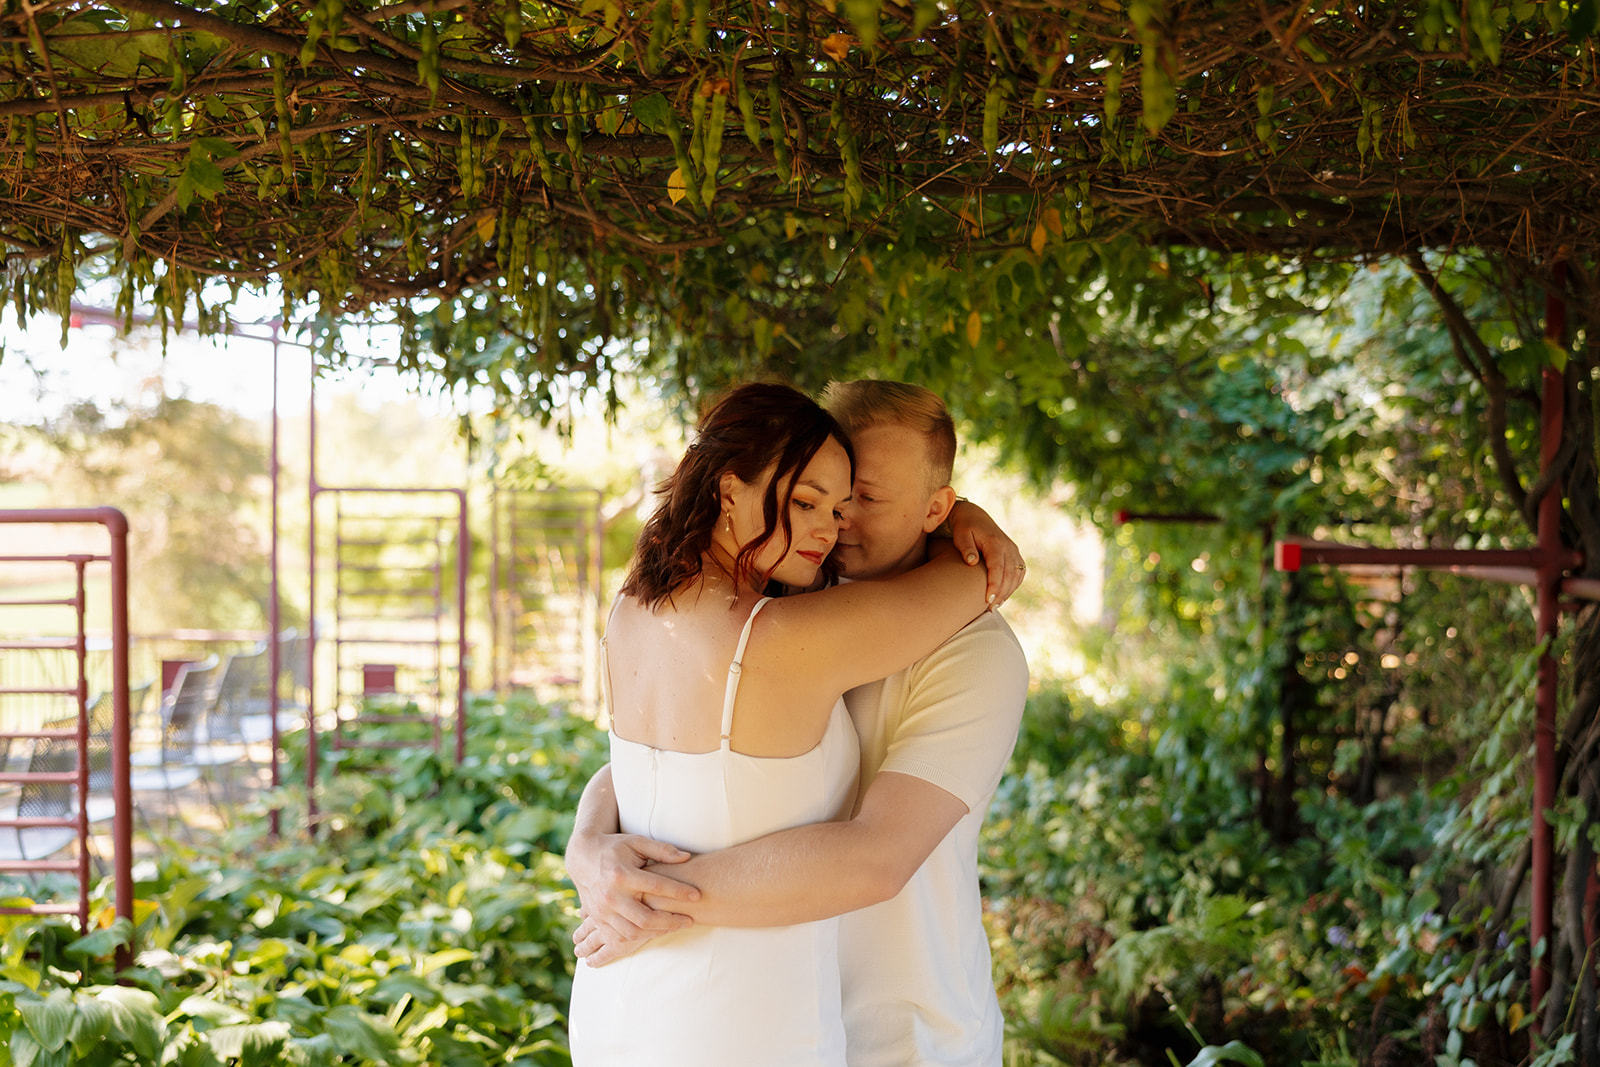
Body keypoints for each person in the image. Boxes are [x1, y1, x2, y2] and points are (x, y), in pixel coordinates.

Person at [567, 379, 1030, 1067]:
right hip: (763, 1010)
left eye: (858, 500)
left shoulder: (973, 652)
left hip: (900, 1034)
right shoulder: (782, 606)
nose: (835, 523)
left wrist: (648, 896)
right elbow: (656, 764)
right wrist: (590, 851)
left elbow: (877, 856)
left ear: (934, 507)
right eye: (814, 497)